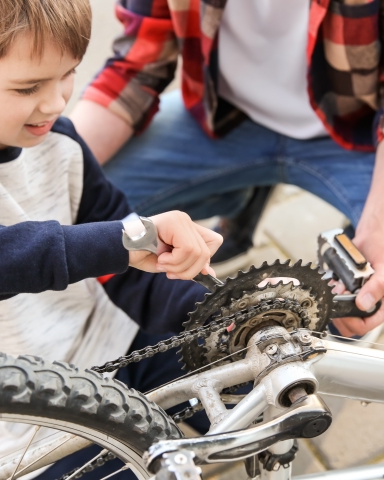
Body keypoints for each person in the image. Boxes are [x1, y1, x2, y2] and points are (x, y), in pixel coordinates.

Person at [0, 0, 222, 476]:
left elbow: (130, 270)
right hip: (26, 409)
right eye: (27, 87)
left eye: (67, 75)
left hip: (118, 341)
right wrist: (111, 241)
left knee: (271, 384)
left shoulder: (61, 143)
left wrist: (213, 311)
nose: (57, 102)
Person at [71, 0, 384, 339]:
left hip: (354, 132)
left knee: (367, 288)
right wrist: (52, 162)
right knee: (85, 200)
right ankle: (243, 196)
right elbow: (134, 68)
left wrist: (376, 230)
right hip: (226, 119)